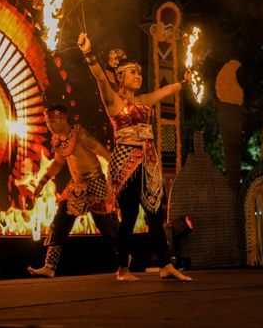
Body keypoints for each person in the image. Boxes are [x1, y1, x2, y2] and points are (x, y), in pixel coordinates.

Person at [77, 32, 192, 281]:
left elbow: (165, 91)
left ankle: (165, 265)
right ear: (119, 76)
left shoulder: (143, 101)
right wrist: (89, 53)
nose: (138, 76)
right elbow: (99, 77)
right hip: (126, 161)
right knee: (129, 216)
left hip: (149, 161)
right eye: (132, 72)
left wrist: (182, 82)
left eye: (139, 73)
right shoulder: (114, 102)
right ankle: (123, 269)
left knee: (154, 214)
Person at [27, 104, 119, 278]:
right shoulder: (59, 139)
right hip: (75, 185)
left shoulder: (81, 135)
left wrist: (116, 176)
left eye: (52, 121)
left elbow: (104, 153)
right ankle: (49, 267)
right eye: (47, 122)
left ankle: (124, 260)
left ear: (62, 119)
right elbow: (58, 163)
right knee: (60, 222)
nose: (49, 125)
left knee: (107, 226)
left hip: (95, 182)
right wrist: (41, 183)